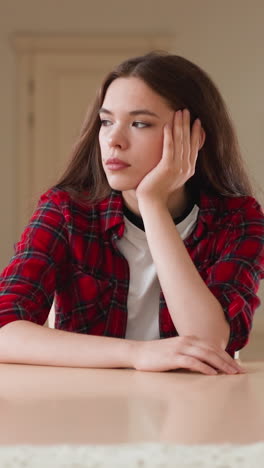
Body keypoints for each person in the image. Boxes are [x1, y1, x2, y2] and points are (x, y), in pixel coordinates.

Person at [0, 52, 263, 376]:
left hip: (194, 409)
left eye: (140, 123)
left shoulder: (238, 219)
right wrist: (138, 354)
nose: (114, 140)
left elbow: (209, 342)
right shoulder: (65, 211)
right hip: (88, 410)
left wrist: (152, 202)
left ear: (194, 137)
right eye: (107, 121)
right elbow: (4, 330)